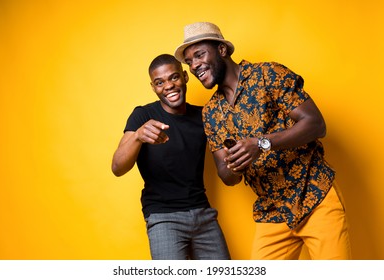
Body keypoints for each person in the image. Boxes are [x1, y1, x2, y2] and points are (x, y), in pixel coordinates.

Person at [174, 22, 351, 260]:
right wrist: (237, 162)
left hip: (314, 195)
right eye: (189, 61)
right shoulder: (211, 113)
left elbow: (316, 124)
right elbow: (226, 176)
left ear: (222, 50)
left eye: (199, 54)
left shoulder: (269, 74)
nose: (194, 65)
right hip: (272, 212)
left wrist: (260, 143)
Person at [111, 54, 230, 260]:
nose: (168, 86)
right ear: (153, 87)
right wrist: (138, 136)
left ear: (185, 76)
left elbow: (227, 170)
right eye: (159, 82)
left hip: (203, 213)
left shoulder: (204, 116)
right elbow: (117, 167)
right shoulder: (143, 116)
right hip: (163, 218)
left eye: (174, 78)